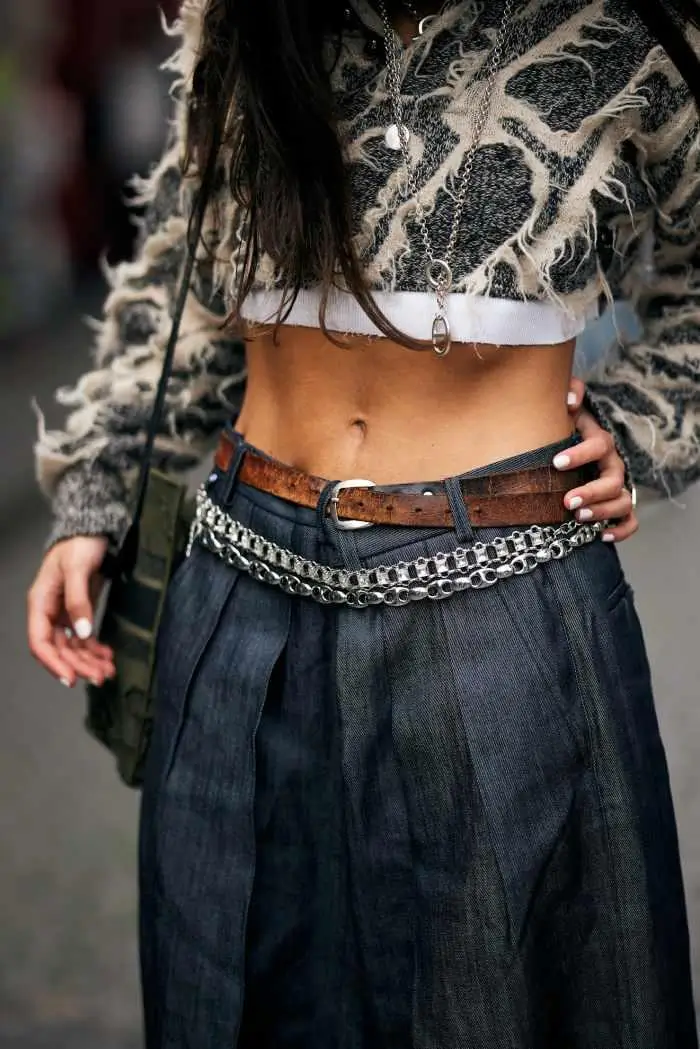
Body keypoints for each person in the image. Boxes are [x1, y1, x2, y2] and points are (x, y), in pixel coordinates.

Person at [27, 0, 699, 1045]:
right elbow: (183, 281)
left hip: (506, 591)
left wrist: (649, 419)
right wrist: (95, 493)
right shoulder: (247, 31)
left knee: (504, 995)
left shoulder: (623, 32)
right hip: (241, 583)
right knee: (236, 984)